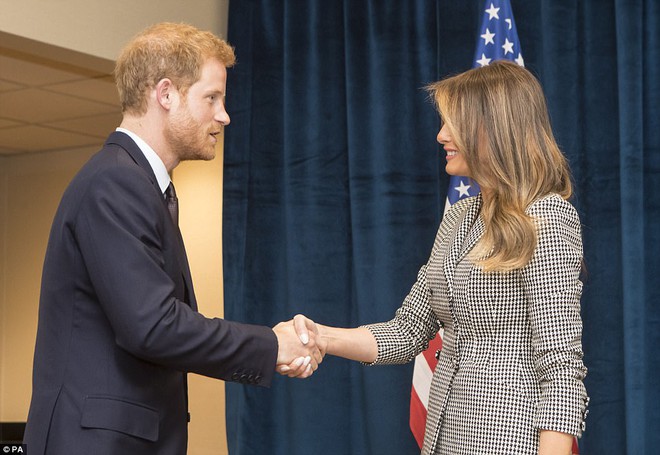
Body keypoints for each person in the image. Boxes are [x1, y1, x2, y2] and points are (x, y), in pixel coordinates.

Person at [24, 22, 321, 455]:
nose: (225, 115)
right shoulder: (115, 184)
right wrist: (272, 344)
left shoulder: (139, 185)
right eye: (212, 98)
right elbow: (155, 326)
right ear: (165, 94)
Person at [283, 60, 589, 454]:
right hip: (445, 437)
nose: (441, 135)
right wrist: (319, 335)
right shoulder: (459, 218)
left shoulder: (547, 217)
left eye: (453, 123)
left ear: (493, 127)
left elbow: (562, 367)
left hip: (511, 441)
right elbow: (408, 331)